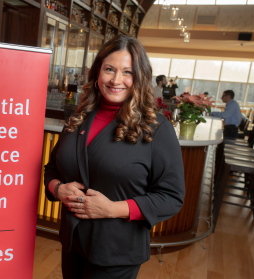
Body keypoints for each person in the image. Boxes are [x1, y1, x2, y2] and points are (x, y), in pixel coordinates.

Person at [44, 35, 185, 279]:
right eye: (109, 69)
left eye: (127, 72)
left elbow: (171, 197)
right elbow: (52, 168)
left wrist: (112, 209)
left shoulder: (157, 128)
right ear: (97, 73)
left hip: (117, 252)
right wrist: (57, 189)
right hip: (73, 242)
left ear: (140, 78)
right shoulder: (78, 118)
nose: (116, 80)